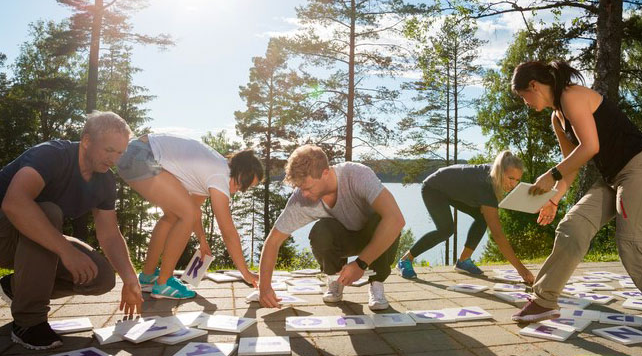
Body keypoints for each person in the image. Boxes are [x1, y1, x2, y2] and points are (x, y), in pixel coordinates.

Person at [509, 60, 642, 336]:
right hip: (612, 179)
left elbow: (590, 147)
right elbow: (570, 165)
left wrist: (551, 175)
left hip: (640, 169)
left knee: (631, 244)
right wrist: (553, 199)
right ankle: (543, 300)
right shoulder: (556, 117)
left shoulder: (572, 95)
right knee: (572, 227)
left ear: (534, 86)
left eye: (522, 96)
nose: (524, 102)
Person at [0, 112, 143, 350]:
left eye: (120, 153)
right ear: (86, 141)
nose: (114, 159)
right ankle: (29, 322)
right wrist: (66, 250)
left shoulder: (105, 181)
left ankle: (15, 287)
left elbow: (110, 234)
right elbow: (15, 203)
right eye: (109, 150)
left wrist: (130, 279)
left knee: (101, 277)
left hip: (30, 239)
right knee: (48, 212)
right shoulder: (51, 155)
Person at [258, 145, 404, 311]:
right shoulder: (301, 198)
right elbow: (273, 241)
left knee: (382, 219)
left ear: (325, 173)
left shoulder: (356, 174)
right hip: (347, 239)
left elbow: (396, 220)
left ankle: (376, 283)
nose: (304, 194)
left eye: (308, 187)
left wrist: (360, 264)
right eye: (300, 188)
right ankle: (335, 280)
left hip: (377, 238)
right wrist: (264, 288)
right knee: (321, 230)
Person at [116, 133, 262, 299]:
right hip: (141, 156)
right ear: (239, 172)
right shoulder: (220, 175)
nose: (241, 190)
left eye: (248, 188)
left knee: (173, 216)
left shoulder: (214, 172)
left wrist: (202, 241)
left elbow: (193, 210)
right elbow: (227, 231)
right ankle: (163, 283)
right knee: (185, 214)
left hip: (133, 154)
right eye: (244, 183)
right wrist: (245, 272)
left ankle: (148, 276)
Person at [396, 151, 535, 284]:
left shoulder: (494, 178)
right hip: (433, 188)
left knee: (482, 218)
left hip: (452, 189)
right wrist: (521, 270)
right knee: (446, 230)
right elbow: (498, 235)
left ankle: (463, 261)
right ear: (500, 172)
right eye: (511, 178)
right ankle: (405, 260)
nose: (513, 184)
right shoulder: (486, 186)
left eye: (517, 180)